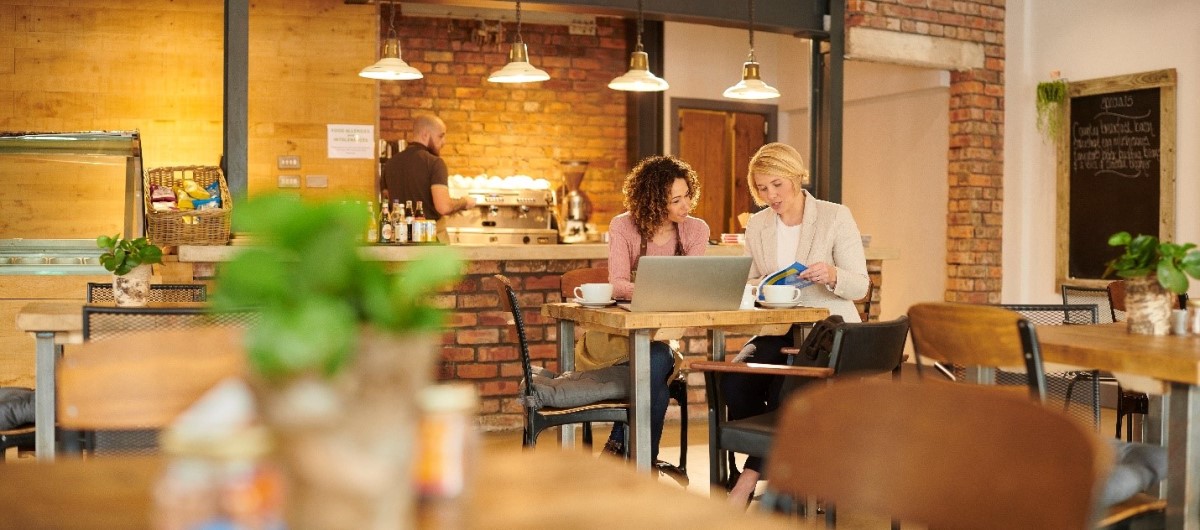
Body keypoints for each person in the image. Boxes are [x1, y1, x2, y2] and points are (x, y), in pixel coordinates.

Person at [724, 142, 870, 506]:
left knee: (785, 390)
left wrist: (834, 274)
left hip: (826, 331)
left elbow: (861, 285)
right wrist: (758, 287)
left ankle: (747, 480)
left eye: (777, 185)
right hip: (778, 326)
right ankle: (786, 464)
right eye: (761, 188)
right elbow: (750, 279)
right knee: (737, 379)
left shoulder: (835, 216)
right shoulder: (758, 224)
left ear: (795, 177)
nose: (770, 195)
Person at [588, 155, 709, 469]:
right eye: (676, 200)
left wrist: (652, 289)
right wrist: (663, 289)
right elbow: (617, 285)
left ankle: (623, 453)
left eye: (688, 196)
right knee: (658, 369)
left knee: (658, 359)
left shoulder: (696, 230)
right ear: (653, 201)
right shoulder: (623, 225)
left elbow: (694, 286)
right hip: (617, 338)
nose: (686, 206)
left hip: (664, 334)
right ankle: (641, 463)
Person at [380, 114, 475, 221]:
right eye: (440, 136)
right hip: (429, 233)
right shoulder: (434, 163)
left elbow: (386, 199)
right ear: (425, 135)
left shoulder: (390, 164)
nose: (444, 142)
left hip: (399, 233)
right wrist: (465, 202)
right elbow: (444, 207)